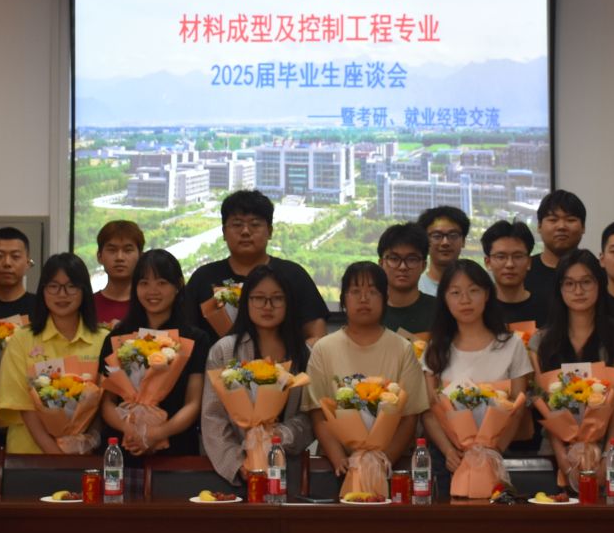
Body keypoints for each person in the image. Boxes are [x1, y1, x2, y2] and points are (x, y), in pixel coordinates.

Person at [305, 262, 430, 475]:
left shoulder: (402, 349)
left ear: (385, 298)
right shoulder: (323, 349)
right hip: (337, 467)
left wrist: (384, 461)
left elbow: (410, 417)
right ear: (343, 299)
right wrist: (339, 459)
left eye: (372, 292)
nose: (364, 299)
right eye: (355, 291)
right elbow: (318, 414)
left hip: (389, 466)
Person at [201, 264, 317, 484]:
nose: (267, 306)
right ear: (246, 301)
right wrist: (238, 463)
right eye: (259, 298)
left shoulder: (303, 353)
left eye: (277, 298)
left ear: (289, 303)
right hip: (234, 472)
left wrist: (279, 436)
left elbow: (310, 417)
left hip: (288, 466)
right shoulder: (224, 350)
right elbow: (212, 416)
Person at [420, 261, 533, 473]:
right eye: (455, 293)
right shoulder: (435, 348)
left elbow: (517, 408)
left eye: (473, 291)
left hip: (499, 457)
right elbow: (429, 411)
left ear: (487, 294)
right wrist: (449, 452)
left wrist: (496, 450)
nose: (465, 300)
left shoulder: (511, 344)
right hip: (450, 461)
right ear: (444, 299)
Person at [95, 249, 207, 456]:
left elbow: (194, 403)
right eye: (144, 283)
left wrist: (155, 434)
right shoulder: (118, 337)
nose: (152, 291)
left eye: (162, 283)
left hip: (176, 448)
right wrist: (130, 431)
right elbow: (107, 402)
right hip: (123, 446)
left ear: (178, 285)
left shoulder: (195, 339)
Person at [0, 253, 110, 453]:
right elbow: (23, 406)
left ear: (84, 290)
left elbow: (105, 404)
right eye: (53, 286)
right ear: (43, 290)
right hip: (29, 454)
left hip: (85, 454)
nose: (62, 294)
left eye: (71, 286)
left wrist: (88, 442)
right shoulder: (21, 339)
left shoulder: (103, 340)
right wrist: (56, 456)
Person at [179, 191, 328, 344]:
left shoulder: (293, 275)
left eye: (255, 224)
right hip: (216, 359)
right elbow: (184, 336)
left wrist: (290, 357)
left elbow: (317, 337)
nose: (245, 231)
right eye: (237, 225)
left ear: (270, 231)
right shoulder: (204, 277)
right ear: (224, 232)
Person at [531, 249, 614, 464]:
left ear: (600, 284)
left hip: (609, 448)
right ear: (559, 289)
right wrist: (563, 458)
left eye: (586, 282)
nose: (578, 291)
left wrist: (608, 456)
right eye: (569, 283)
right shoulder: (540, 342)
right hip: (555, 451)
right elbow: (545, 406)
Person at [527, 189, 586, 300]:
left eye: (570, 220)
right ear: (539, 226)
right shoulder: (523, 271)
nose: (561, 226)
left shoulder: (597, 271)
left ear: (583, 227)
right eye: (553, 220)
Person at [377, 223, 435, 334]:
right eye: (394, 259)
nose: (402, 267)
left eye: (411, 259)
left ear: (423, 265)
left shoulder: (440, 311)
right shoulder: (368, 311)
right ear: (381, 264)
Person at [91, 219, 144, 327]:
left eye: (128, 250)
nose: (120, 257)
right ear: (99, 256)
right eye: (112, 250)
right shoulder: (87, 305)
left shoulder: (150, 305)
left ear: (141, 256)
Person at [481, 219, 539, 317]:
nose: (510, 264)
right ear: (488, 262)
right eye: (501, 257)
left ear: (529, 262)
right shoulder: (479, 309)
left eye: (518, 256)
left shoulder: (548, 307)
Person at [416, 205, 469, 294]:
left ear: (463, 241)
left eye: (453, 235)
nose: (445, 242)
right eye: (437, 236)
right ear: (425, 241)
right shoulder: (415, 288)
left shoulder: (476, 287)